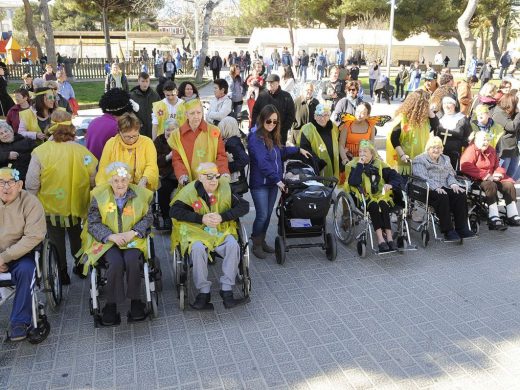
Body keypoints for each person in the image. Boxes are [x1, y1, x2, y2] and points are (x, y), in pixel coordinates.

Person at [25, 111, 98, 284]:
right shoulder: (82, 151)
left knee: (55, 239)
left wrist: (32, 204)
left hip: (51, 206)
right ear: (72, 127)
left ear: (50, 127)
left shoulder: (40, 152)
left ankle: (61, 272)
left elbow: (32, 183)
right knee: (77, 235)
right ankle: (81, 265)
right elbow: (94, 178)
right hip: (77, 204)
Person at [79, 162, 154, 325]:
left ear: (129, 180)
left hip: (132, 239)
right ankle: (111, 304)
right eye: (116, 181)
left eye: (123, 180)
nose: (120, 184)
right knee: (115, 262)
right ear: (110, 181)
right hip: (108, 242)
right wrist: (110, 236)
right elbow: (92, 222)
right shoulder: (99, 196)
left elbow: (148, 218)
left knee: (132, 260)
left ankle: (135, 301)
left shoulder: (140, 195)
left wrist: (132, 232)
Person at [170, 162, 249, 310]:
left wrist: (223, 216)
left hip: (220, 230)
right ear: (200, 177)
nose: (214, 180)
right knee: (198, 248)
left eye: (216, 176)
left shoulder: (225, 188)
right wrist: (201, 219)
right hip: (196, 232)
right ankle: (204, 292)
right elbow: (174, 212)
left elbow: (244, 206)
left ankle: (227, 290)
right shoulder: (189, 192)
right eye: (209, 177)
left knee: (233, 244)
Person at [247, 105, 311, 259]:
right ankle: (255, 243)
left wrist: (297, 150)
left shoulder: (271, 135)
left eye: (275, 122)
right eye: (269, 121)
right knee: (262, 215)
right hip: (261, 183)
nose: (271, 124)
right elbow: (263, 163)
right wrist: (278, 181)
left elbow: (280, 151)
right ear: (262, 119)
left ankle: (261, 241)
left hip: (273, 183)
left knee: (268, 214)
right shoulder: (255, 137)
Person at [0, 167, 47, 340]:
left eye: (10, 182)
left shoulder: (30, 202)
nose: (5, 188)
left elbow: (34, 236)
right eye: (1, 183)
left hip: (22, 254)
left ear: (19, 185)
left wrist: (4, 258)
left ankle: (19, 321)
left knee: (27, 270)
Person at [412, 137, 475, 241]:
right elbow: (422, 176)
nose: (436, 150)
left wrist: (453, 184)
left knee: (459, 194)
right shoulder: (420, 159)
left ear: (442, 149)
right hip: (426, 189)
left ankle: (462, 228)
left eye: (439, 147)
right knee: (442, 196)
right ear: (428, 148)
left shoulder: (445, 158)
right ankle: (448, 231)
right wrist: (436, 187)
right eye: (433, 147)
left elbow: (450, 174)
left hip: (445, 186)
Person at [344, 141, 403, 252]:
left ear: (372, 153)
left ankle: (389, 238)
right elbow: (353, 182)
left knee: (384, 205)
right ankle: (380, 239)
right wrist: (360, 164)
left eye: (365, 151)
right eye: (360, 151)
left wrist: (390, 184)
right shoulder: (354, 164)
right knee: (374, 207)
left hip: (380, 195)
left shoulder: (379, 164)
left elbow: (396, 177)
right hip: (362, 196)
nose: (362, 154)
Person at [461, 131, 520, 229]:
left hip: (492, 177)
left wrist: (498, 174)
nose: (486, 142)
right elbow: (465, 166)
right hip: (477, 178)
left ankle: (512, 215)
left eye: (487, 140)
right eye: (483, 140)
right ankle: (493, 216)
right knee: (491, 186)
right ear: (476, 140)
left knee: (509, 185)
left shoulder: (491, 150)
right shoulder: (471, 150)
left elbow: (497, 165)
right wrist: (486, 175)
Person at [169, 98, 230, 184]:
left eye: (199, 112)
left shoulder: (214, 131)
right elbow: (177, 159)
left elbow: (221, 155)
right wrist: (182, 175)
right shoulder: (177, 135)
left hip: (211, 181)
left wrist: (223, 172)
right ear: (186, 114)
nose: (196, 116)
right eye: (192, 113)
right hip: (188, 182)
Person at [96, 112, 159, 191]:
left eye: (135, 136)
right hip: (116, 188)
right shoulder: (111, 143)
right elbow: (103, 168)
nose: (131, 139)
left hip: (142, 188)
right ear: (120, 132)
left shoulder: (147, 142)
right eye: (127, 137)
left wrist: (144, 180)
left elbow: (151, 165)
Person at [386, 90, 436, 175]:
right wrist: (402, 155)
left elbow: (436, 124)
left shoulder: (425, 120)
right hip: (405, 159)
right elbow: (394, 138)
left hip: (421, 158)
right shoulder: (402, 119)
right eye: (425, 104)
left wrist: (428, 109)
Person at [86, 88, 134, 160]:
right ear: (125, 110)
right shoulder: (117, 128)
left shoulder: (93, 122)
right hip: (107, 168)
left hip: (89, 166)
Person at [297, 103, 340, 179]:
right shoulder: (307, 129)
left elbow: (338, 144)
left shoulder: (334, 128)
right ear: (315, 116)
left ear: (329, 116)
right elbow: (304, 149)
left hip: (333, 167)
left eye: (325, 115)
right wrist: (318, 162)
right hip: (315, 168)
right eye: (319, 115)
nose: (322, 118)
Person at [251, 74, 295, 145]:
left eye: (272, 83)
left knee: (279, 153)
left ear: (278, 83)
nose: (269, 84)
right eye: (268, 83)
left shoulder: (286, 96)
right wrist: (255, 127)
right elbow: (255, 112)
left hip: (280, 133)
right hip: (263, 132)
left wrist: (282, 129)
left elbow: (291, 115)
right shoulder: (262, 95)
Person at [433, 96, 472, 169]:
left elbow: (468, 137)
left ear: (455, 105)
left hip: (454, 156)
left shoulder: (462, 119)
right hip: (436, 154)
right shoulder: (437, 117)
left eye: (449, 103)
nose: (446, 106)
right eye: (444, 103)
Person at [153, 120, 178, 231]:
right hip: (166, 175)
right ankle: (167, 218)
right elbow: (154, 160)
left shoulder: (181, 139)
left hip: (181, 174)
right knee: (163, 188)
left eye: (173, 129)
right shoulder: (159, 141)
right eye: (168, 129)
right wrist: (168, 157)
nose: (170, 132)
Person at [491, 92, 520, 180]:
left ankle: (508, 191)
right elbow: (512, 127)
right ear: (510, 104)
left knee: (511, 177)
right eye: (515, 104)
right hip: (504, 149)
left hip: (513, 148)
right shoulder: (498, 113)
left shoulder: (510, 113)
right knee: (502, 176)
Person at [218, 117, 249, 195]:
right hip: (237, 181)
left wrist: (227, 168)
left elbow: (244, 159)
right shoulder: (234, 140)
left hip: (234, 182)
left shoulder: (231, 143)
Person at [130, 72, 161, 139]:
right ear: (138, 81)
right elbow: (129, 112)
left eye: (147, 81)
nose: (145, 84)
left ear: (149, 81)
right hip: (138, 129)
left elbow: (160, 110)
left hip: (152, 129)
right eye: (143, 81)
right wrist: (137, 121)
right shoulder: (132, 96)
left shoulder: (155, 95)